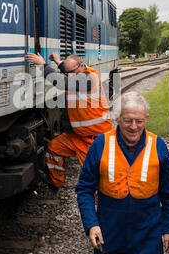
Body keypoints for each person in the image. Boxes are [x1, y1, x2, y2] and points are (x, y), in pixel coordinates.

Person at [76, 92, 169, 254]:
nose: (134, 127)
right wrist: (91, 225)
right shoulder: (101, 144)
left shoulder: (157, 145)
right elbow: (84, 188)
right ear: (117, 119)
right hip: (109, 229)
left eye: (139, 121)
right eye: (128, 121)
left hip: (147, 230)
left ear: (146, 119)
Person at [25, 52, 112, 189]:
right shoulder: (76, 73)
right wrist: (58, 62)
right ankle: (55, 182)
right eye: (68, 72)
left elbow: (63, 82)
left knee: (95, 178)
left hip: (93, 139)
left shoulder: (89, 78)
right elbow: (68, 71)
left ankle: (101, 206)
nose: (70, 75)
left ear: (82, 65)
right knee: (54, 149)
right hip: (76, 136)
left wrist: (43, 65)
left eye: (72, 72)